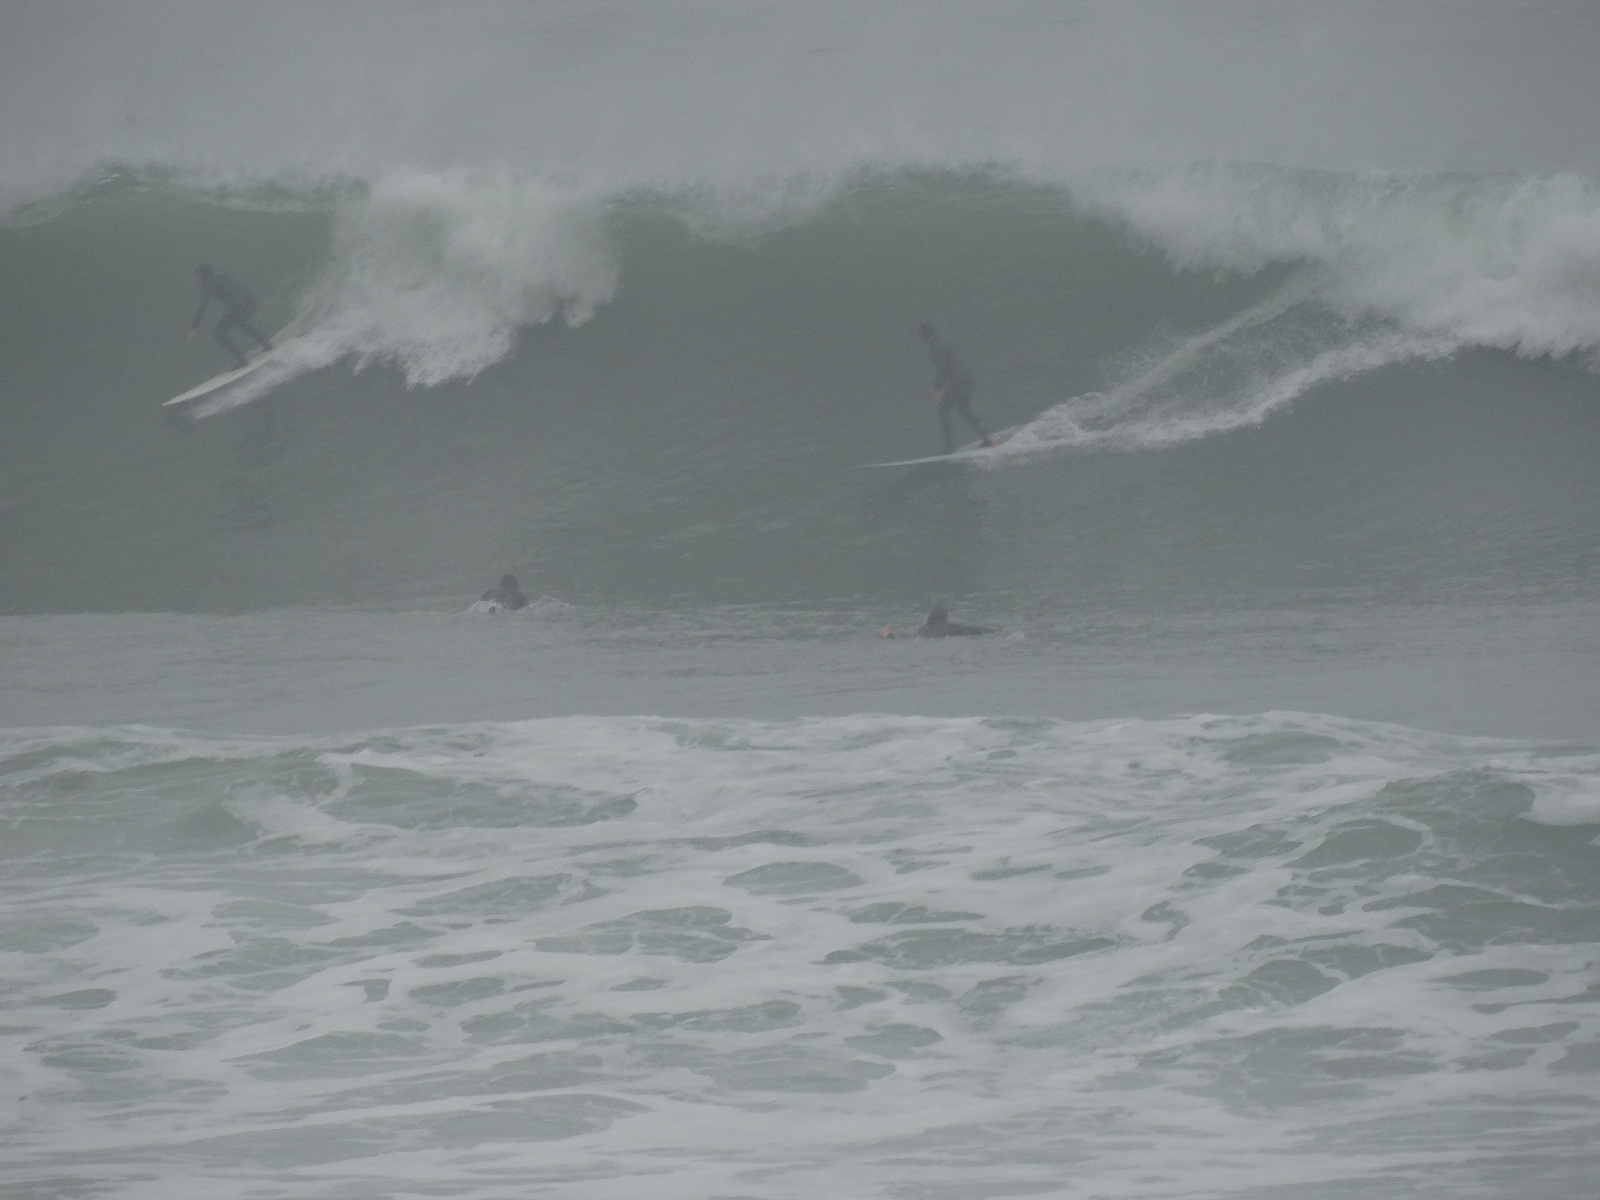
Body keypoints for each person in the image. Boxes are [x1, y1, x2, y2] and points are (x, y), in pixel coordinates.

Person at [919, 323, 992, 454]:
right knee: (964, 409)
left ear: (924, 336)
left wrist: (935, 388)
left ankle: (949, 450)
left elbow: (944, 369)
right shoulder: (945, 343)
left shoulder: (935, 348)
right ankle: (986, 439)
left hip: (958, 381)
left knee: (943, 411)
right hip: (968, 378)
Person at [187, 265, 272, 370]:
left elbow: (202, 306)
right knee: (239, 323)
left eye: (197, 276)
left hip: (238, 305)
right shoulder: (222, 276)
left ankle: (241, 359)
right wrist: (253, 302)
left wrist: (194, 328)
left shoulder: (208, 284)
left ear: (203, 275)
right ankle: (264, 342)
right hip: (247, 302)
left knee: (219, 333)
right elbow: (240, 287)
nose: (197, 279)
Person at [915, 604, 994, 637]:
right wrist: (993, 630)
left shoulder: (921, 630)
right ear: (944, 618)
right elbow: (973, 629)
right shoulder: (950, 627)